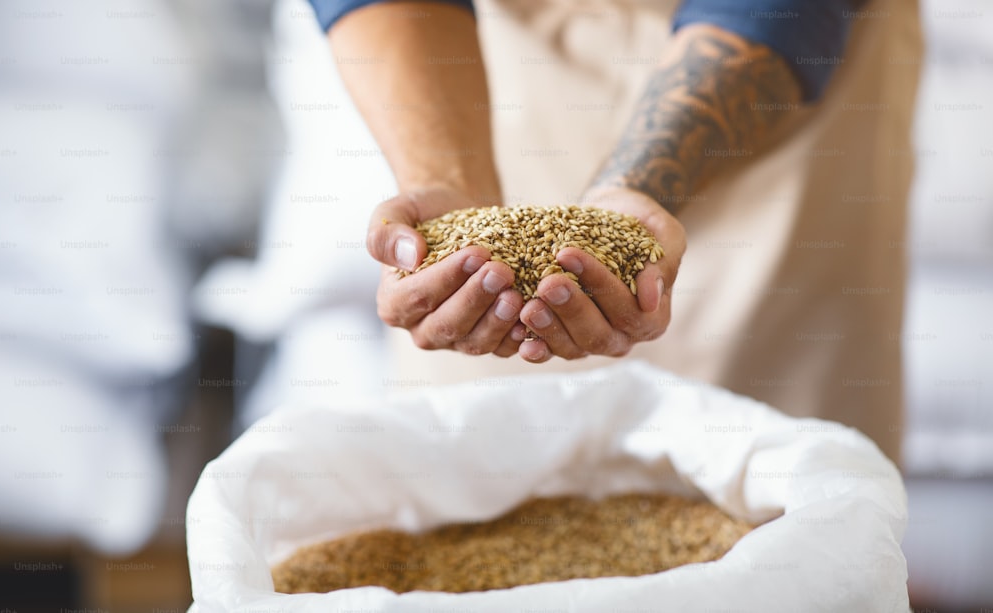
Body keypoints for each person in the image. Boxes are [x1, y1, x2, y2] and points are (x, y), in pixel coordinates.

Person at [307, 0, 921, 462]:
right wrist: (443, 187)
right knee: (486, 471)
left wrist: (640, 190)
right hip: (491, 85)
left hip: (786, 90)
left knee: (777, 485)